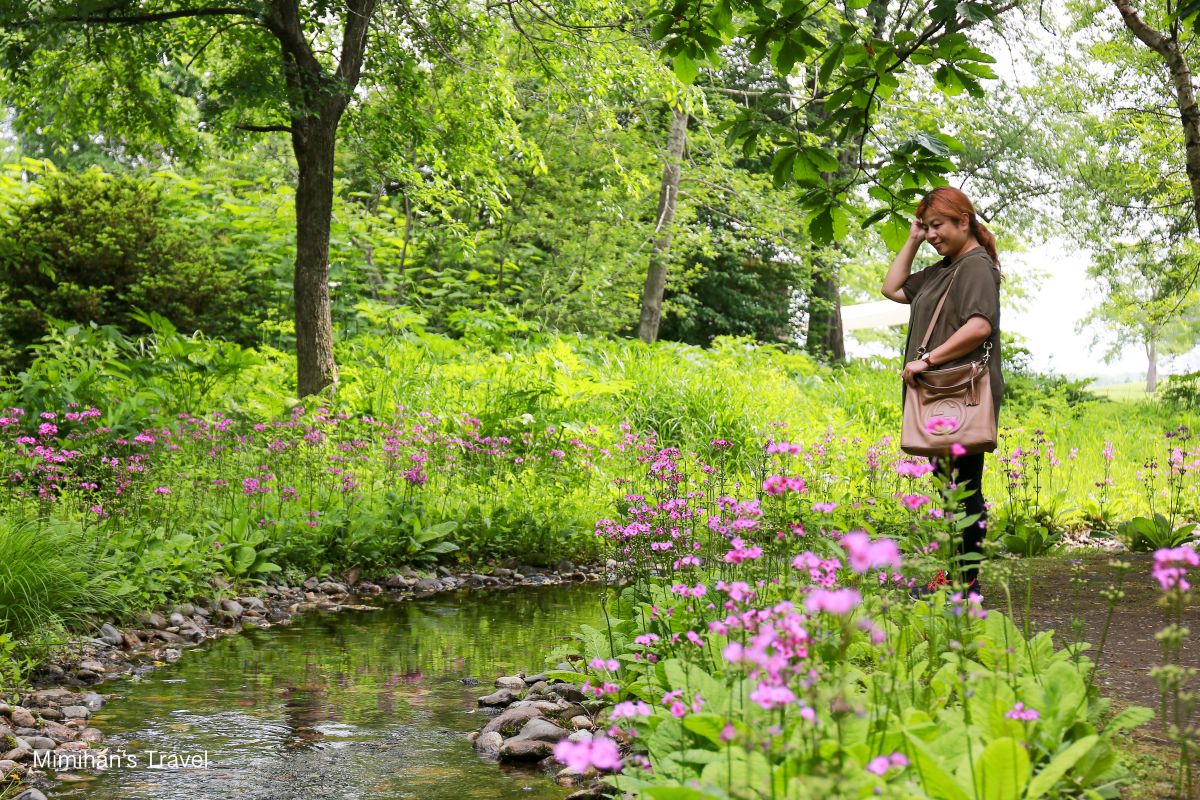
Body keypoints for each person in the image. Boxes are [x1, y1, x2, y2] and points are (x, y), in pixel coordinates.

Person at [880, 186, 1004, 597]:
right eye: (927, 226)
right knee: (951, 488)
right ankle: (957, 576)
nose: (932, 233)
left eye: (938, 225)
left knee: (964, 488)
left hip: (959, 391)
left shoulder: (974, 266)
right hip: (939, 395)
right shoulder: (943, 267)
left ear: (963, 222)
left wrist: (928, 359)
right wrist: (912, 240)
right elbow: (892, 288)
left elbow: (979, 326)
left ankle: (964, 583)